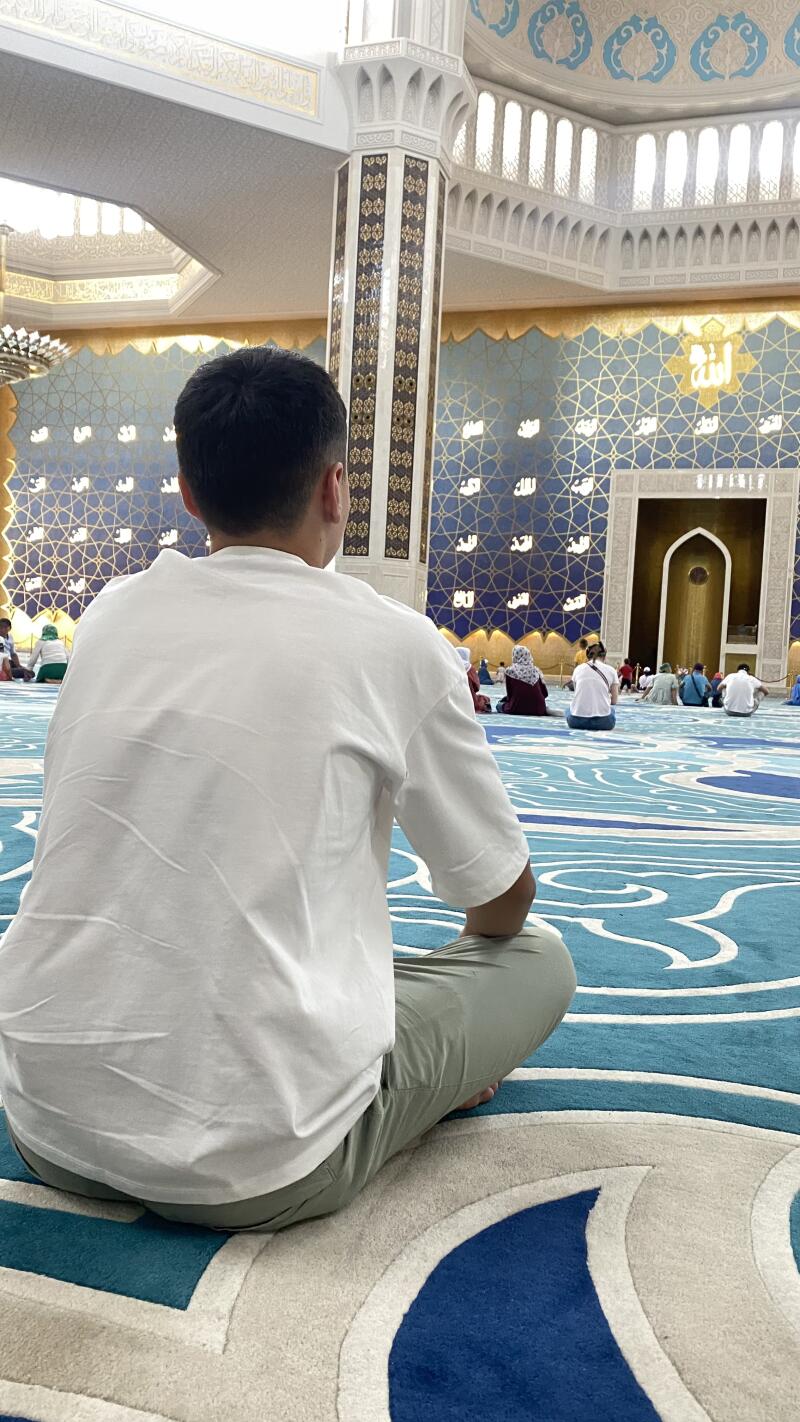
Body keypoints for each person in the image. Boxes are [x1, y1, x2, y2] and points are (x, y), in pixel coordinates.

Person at [0, 347, 576, 1233]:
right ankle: (412, 1079)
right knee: (541, 960)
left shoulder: (110, 614)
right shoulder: (396, 643)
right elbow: (500, 902)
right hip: (259, 1160)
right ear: (336, 488)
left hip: (47, 1121)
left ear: (189, 494)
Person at [566, 640, 619, 731]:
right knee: (612, 711)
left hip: (576, 722)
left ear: (588, 655)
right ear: (604, 655)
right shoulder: (611, 670)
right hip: (603, 723)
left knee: (568, 709)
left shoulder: (578, 669)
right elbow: (614, 701)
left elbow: (577, 693)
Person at [496, 646, 550, 716]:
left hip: (516, 708)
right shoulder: (536, 671)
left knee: (499, 705)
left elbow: (510, 696)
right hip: (539, 710)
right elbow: (545, 693)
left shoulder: (510, 671)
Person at [457, 646, 491, 715]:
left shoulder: (450, 666)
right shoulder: (469, 668)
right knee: (485, 699)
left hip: (451, 700)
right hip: (468, 701)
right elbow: (476, 687)